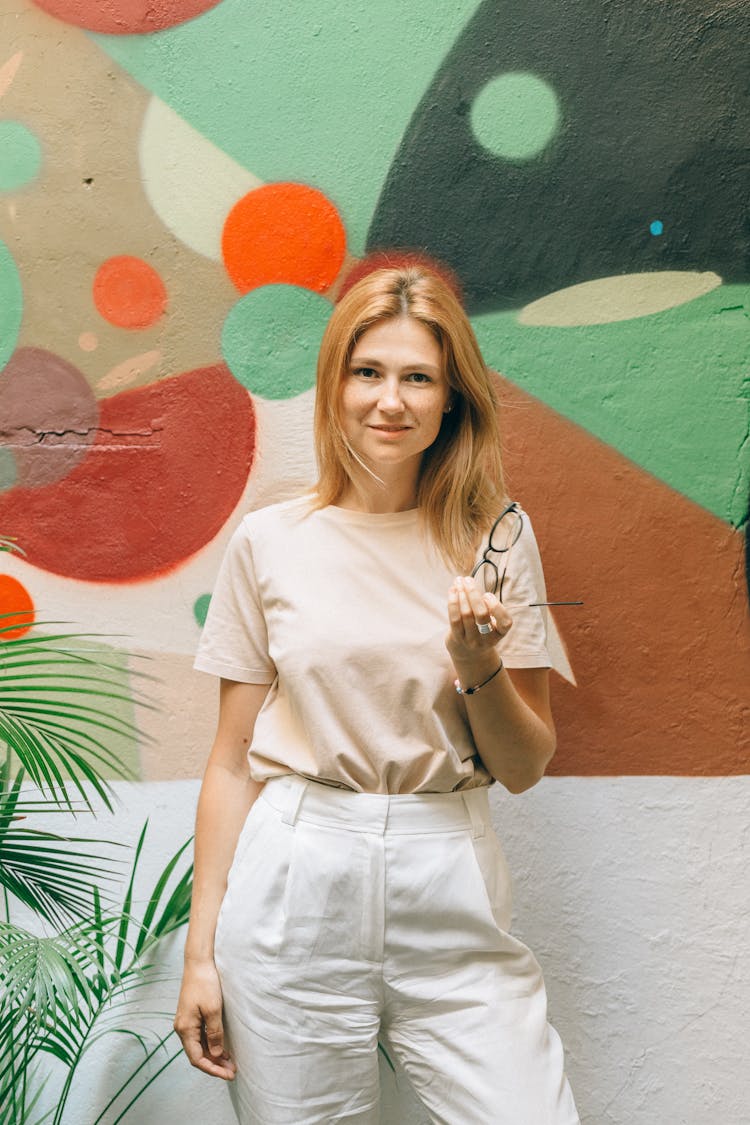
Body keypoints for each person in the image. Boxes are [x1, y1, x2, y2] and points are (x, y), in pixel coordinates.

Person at [174, 264, 580, 1124]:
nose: (390, 401)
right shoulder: (271, 542)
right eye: (369, 373)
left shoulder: (496, 536)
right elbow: (232, 759)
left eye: (418, 377)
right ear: (335, 386)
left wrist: (478, 664)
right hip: (294, 874)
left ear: (451, 399)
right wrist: (199, 950)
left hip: (449, 872)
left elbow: (525, 765)